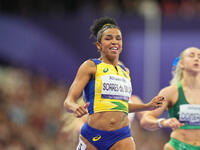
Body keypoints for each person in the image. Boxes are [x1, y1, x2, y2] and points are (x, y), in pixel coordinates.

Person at [63, 17, 164, 150]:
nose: (114, 41)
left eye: (118, 38)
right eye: (108, 38)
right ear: (99, 45)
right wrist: (74, 107)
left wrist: (147, 106)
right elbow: (68, 102)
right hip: (93, 135)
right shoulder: (90, 66)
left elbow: (121, 106)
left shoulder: (125, 72)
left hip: (122, 136)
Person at [140, 47, 200, 150]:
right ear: (181, 63)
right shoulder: (170, 92)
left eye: (199, 56)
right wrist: (163, 122)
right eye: (191, 55)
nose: (197, 59)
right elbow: (145, 119)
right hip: (177, 146)